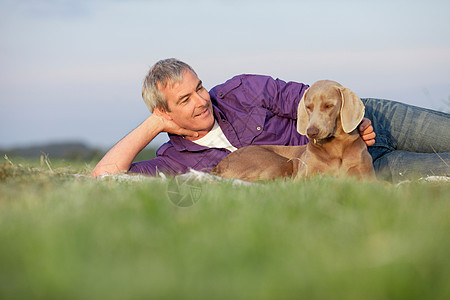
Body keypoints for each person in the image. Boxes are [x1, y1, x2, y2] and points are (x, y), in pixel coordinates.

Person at [91, 58, 449, 181]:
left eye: (199, 87)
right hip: (355, 171)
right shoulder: (174, 161)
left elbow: (308, 98)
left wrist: (359, 121)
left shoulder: (240, 90)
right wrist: (151, 125)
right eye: (185, 99)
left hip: (369, 120)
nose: (202, 100)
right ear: (165, 112)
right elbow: (104, 176)